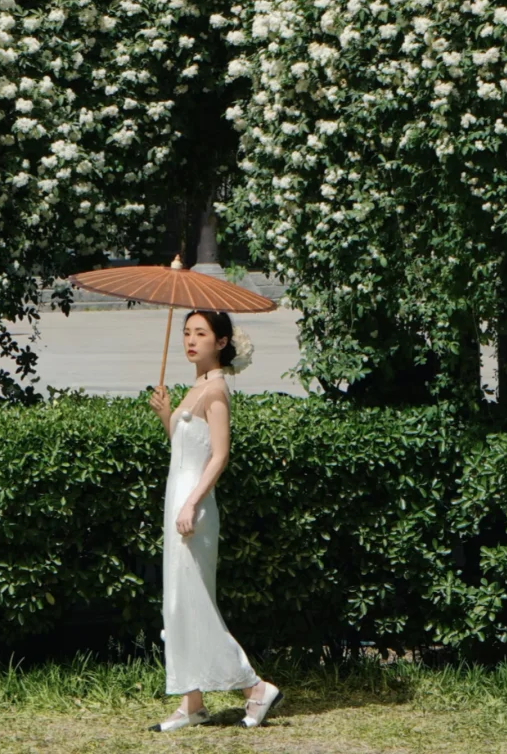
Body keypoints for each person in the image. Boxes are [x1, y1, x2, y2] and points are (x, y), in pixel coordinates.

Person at [147, 309, 282, 732]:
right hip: (178, 501)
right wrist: (166, 415)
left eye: (201, 333)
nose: (190, 340)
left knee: (195, 602)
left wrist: (191, 504)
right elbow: (185, 447)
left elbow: (219, 456)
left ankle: (255, 688)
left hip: (194, 506)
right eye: (187, 332)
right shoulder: (195, 388)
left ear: (221, 342)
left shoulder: (216, 389)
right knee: (178, 602)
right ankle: (192, 702)